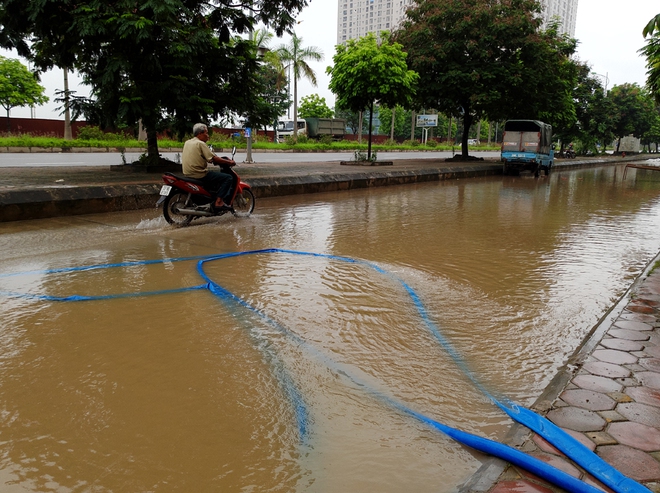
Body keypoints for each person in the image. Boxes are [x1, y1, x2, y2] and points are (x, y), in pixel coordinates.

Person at [182, 123, 233, 211]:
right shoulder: (200, 143)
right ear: (200, 134)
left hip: (187, 173)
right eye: (206, 133)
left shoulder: (188, 142)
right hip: (199, 174)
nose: (208, 136)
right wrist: (229, 162)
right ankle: (219, 202)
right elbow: (214, 158)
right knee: (228, 178)